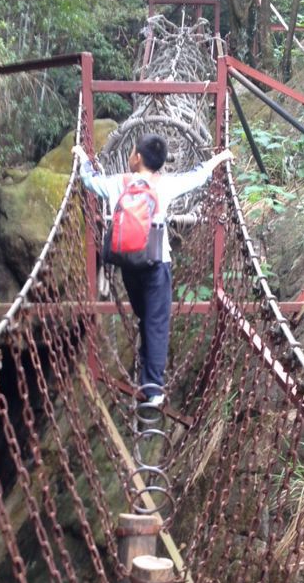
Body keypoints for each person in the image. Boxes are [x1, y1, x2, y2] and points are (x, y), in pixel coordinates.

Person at [72, 133, 233, 407]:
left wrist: (83, 158)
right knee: (157, 322)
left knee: (145, 315)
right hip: (157, 263)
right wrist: (219, 157)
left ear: (136, 157)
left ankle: (146, 367)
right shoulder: (166, 184)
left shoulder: (118, 183)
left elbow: (88, 180)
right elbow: (198, 177)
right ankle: (154, 389)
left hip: (127, 263)